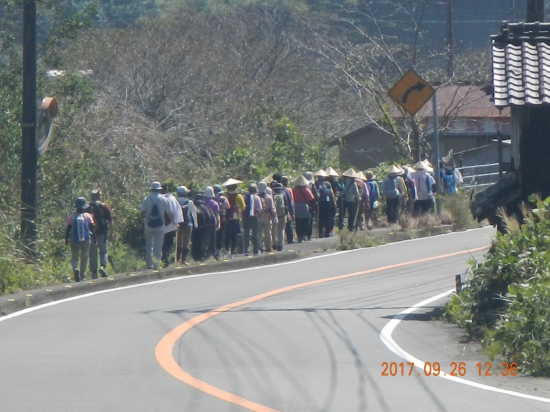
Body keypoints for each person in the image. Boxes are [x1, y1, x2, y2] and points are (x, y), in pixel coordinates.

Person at [138, 181, 172, 270]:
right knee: (158, 245)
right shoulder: (163, 199)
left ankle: (149, 265)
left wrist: (139, 222)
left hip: (149, 225)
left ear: (152, 189)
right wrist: (174, 222)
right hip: (160, 225)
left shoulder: (146, 199)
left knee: (149, 245)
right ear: (159, 190)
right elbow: (168, 212)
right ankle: (156, 264)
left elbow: (142, 212)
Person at [65, 197, 95, 282]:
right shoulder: (88, 216)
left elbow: (68, 229)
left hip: (74, 239)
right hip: (85, 240)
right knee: (84, 257)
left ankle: (75, 269)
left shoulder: (71, 216)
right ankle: (82, 275)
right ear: (84, 206)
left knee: (75, 257)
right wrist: (94, 239)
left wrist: (66, 239)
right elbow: (92, 228)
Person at [87, 189, 114, 279]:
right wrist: (111, 233)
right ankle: (102, 266)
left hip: (91, 233)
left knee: (92, 252)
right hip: (102, 232)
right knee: (103, 251)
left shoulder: (87, 208)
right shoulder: (104, 207)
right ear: (99, 197)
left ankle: (94, 272)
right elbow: (110, 221)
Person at [221, 178, 246, 259]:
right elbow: (243, 207)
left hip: (226, 218)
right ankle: (232, 252)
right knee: (234, 236)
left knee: (227, 235)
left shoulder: (224, 196)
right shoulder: (239, 196)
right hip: (236, 219)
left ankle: (227, 250)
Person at [161, 183, 184, 267]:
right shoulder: (171, 198)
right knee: (168, 243)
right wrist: (176, 222)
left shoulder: (156, 198)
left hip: (157, 225)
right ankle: (166, 259)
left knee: (159, 244)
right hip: (171, 225)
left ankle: (160, 260)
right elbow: (177, 211)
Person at [175, 186, 197, 266]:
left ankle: (177, 259)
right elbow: (193, 214)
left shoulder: (175, 201)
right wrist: (195, 224)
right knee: (186, 242)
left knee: (178, 242)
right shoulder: (189, 202)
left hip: (178, 224)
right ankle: (183, 260)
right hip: (188, 225)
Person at [292, 175, 315, 242]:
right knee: (305, 221)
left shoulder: (293, 190)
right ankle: (303, 235)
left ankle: (299, 235)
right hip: (303, 206)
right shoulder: (306, 189)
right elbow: (312, 199)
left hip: (295, 206)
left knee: (297, 221)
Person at [242, 183, 262, 256]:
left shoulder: (244, 197)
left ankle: (246, 250)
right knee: (255, 234)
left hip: (246, 217)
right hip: (254, 217)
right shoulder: (257, 197)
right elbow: (260, 209)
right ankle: (256, 250)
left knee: (246, 234)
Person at [257, 181, 277, 252]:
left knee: (258, 233)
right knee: (268, 233)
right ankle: (268, 247)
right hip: (267, 218)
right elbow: (272, 208)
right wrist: (274, 217)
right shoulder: (268, 197)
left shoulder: (256, 197)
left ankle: (259, 247)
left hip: (258, 218)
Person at [203, 186, 220, 259]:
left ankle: (205, 253)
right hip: (213, 223)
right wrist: (218, 224)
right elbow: (217, 214)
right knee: (213, 239)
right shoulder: (215, 203)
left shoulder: (202, 202)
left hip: (204, 223)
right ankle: (213, 253)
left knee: (205, 239)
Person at [213, 184, 229, 259]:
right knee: (221, 235)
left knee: (212, 236)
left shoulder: (211, 199)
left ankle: (212, 251)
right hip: (222, 218)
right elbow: (228, 206)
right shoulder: (223, 199)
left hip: (212, 219)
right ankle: (218, 251)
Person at [271, 182, 288, 251]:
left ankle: (274, 244)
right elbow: (287, 205)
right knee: (281, 230)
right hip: (282, 214)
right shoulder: (283, 194)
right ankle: (280, 245)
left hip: (274, 215)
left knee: (273, 230)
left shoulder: (272, 195)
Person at [281, 176, 295, 244]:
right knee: (288, 225)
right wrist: (292, 212)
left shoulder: (275, 189)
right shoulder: (288, 190)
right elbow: (290, 201)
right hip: (286, 210)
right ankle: (290, 239)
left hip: (277, 210)